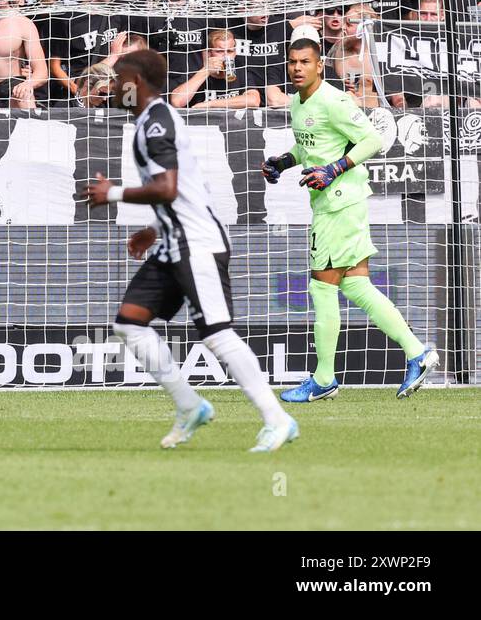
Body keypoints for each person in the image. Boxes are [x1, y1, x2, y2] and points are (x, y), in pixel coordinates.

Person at [84, 48, 298, 452]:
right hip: (172, 240)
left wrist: (111, 193)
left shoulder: (156, 122)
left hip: (196, 243)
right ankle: (190, 406)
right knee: (130, 323)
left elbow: (166, 187)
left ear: (138, 83)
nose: (113, 87)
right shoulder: (148, 121)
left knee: (218, 335)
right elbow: (182, 191)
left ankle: (278, 419)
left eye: (119, 79)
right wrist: (152, 229)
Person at [261, 32, 438, 401]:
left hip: (339, 201)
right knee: (356, 284)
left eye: (305, 62)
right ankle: (417, 354)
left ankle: (324, 378)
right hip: (336, 200)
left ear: (319, 65)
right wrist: (284, 161)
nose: (297, 68)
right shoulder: (298, 101)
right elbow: (311, 144)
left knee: (321, 286)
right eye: (293, 62)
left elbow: (372, 139)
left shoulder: (335, 100)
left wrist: (333, 169)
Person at [170, 28, 261, 108]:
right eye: (220, 51)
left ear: (235, 53)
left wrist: (210, 104)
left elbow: (254, 100)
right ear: (209, 53)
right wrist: (206, 71)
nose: (225, 56)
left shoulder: (241, 72)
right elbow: (176, 102)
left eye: (229, 51)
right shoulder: (197, 72)